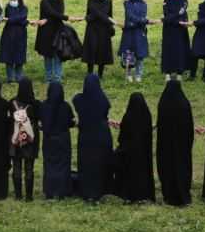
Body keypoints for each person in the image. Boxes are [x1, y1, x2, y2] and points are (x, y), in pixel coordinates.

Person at [73, 73, 112, 203]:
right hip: (101, 135)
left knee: (86, 162)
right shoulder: (103, 100)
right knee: (100, 162)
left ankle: (87, 189)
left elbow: (75, 98)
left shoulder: (79, 100)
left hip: (86, 135)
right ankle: (101, 189)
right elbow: (105, 112)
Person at [155, 79, 195, 206]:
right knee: (182, 166)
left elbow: (160, 124)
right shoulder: (184, 104)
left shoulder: (163, 103)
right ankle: (183, 193)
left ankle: (168, 195)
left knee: (167, 167)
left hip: (165, 144)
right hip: (182, 144)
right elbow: (189, 125)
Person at [114, 93, 155, 203]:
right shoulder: (147, 116)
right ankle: (144, 195)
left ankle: (129, 195)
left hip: (129, 153)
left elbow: (122, 137)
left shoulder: (128, 116)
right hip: (144, 152)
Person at [39, 82, 75, 199]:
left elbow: (41, 122)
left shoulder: (44, 106)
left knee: (49, 164)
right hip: (63, 139)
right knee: (63, 164)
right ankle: (62, 190)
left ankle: (49, 191)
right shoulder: (66, 106)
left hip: (49, 139)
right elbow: (71, 122)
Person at [10, 79, 40, 201]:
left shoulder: (12, 103)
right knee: (29, 167)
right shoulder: (35, 104)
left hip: (17, 136)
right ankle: (29, 196)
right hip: (30, 137)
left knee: (16, 166)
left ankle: (18, 195)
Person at [35, 0, 71, 84]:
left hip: (58, 30)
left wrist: (47, 19)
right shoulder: (44, 1)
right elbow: (51, 12)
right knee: (47, 55)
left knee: (57, 54)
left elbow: (58, 14)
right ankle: (48, 77)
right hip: (45, 32)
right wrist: (66, 18)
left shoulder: (60, 1)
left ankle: (57, 77)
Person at [118, 0, 151, 82]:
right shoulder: (127, 3)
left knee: (139, 54)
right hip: (128, 32)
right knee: (128, 53)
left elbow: (143, 15)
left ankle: (138, 74)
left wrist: (137, 22)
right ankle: (128, 74)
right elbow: (129, 15)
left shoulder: (143, 3)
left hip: (139, 32)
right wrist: (143, 21)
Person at [82, 0, 115, 79]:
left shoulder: (108, 0)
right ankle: (90, 73)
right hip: (92, 28)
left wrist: (110, 24)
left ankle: (100, 74)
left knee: (102, 51)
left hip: (104, 29)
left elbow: (108, 14)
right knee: (91, 50)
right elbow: (92, 11)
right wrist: (100, 16)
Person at [160, 0, 191, 81]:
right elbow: (166, 13)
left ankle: (179, 72)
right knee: (168, 50)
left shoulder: (184, 0)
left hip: (180, 30)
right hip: (168, 30)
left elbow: (181, 13)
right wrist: (174, 17)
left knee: (180, 50)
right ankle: (168, 73)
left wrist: (168, 19)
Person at [0, 0, 29, 84]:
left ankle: (18, 77)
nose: (12, 1)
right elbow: (19, 19)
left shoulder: (24, 8)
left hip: (20, 35)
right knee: (9, 56)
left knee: (19, 56)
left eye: (14, 0)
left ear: (19, 0)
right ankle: (10, 77)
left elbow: (20, 17)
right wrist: (24, 21)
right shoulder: (8, 7)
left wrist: (12, 19)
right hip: (9, 34)